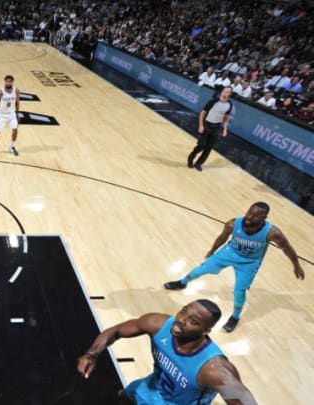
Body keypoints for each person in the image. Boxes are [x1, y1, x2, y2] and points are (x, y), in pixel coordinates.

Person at [77, 299, 258, 405]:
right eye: (183, 312)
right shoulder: (158, 324)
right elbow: (116, 331)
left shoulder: (214, 370)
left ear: (205, 332)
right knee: (124, 396)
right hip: (150, 388)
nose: (180, 320)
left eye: (192, 321)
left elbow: (245, 400)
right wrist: (91, 354)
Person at [164, 202, 305, 332]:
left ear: (264, 218)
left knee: (239, 291)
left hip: (249, 262)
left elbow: (287, 248)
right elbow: (222, 237)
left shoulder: (272, 233)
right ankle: (182, 282)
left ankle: (235, 317)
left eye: (255, 215)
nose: (250, 216)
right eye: (249, 212)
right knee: (203, 268)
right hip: (229, 253)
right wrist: (212, 250)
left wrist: (296, 266)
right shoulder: (233, 224)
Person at [187, 86, 232, 171]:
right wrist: (201, 125)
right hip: (207, 124)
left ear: (230, 94)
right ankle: (191, 157)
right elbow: (202, 113)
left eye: (228, 92)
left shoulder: (229, 104)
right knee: (202, 145)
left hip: (217, 126)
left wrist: (225, 128)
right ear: (222, 92)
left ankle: (198, 164)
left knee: (209, 147)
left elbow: (226, 117)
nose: (226, 93)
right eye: (225, 91)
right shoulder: (213, 101)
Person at [0, 74, 21, 157]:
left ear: (12, 82)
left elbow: (17, 102)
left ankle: (12, 147)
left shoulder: (16, 91)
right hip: (2, 115)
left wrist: (17, 114)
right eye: (7, 81)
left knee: (15, 130)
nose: (8, 83)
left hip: (12, 114)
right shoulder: (0, 92)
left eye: (10, 81)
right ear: (5, 81)